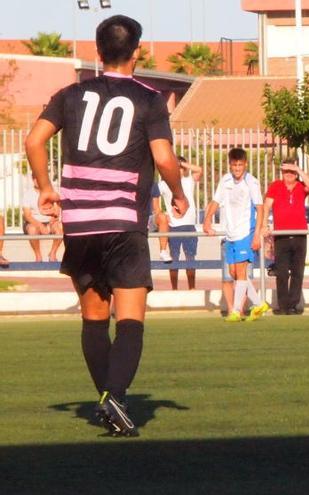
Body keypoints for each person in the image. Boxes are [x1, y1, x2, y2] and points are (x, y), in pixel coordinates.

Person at [24, 15, 188, 437]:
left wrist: (45, 187)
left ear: (97, 53)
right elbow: (165, 158)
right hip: (122, 221)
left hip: (79, 223)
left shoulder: (70, 94)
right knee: (130, 319)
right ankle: (115, 398)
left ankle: (109, 402)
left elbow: (33, 140)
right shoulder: (150, 99)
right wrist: (179, 192)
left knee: (94, 319)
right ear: (138, 52)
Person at [203, 148, 270, 322]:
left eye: (240, 165)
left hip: (245, 233)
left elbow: (260, 208)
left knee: (240, 272)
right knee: (234, 272)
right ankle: (259, 303)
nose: (237, 168)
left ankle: (236, 310)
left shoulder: (252, 183)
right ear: (230, 165)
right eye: (234, 165)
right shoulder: (225, 180)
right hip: (230, 233)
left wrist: (257, 235)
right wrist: (207, 219)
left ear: (245, 164)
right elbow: (215, 201)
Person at [263, 159, 309, 315]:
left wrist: (298, 169)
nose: (289, 175)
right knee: (282, 272)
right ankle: (283, 305)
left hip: (299, 234)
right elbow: (267, 206)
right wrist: (264, 225)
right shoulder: (276, 186)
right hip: (281, 235)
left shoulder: (300, 186)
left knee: (298, 271)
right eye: (286, 172)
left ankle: (293, 304)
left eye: (292, 172)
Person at [158, 156, 201, 290]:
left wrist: (181, 163)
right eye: (175, 168)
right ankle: (174, 289)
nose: (178, 170)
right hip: (173, 227)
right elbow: (153, 196)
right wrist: (160, 212)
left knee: (190, 258)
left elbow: (199, 170)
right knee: (173, 259)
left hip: (189, 226)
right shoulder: (164, 184)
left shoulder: (188, 181)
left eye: (180, 168)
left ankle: (192, 288)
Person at [22, 175, 63, 262]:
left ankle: (52, 253)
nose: (37, 181)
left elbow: (57, 208)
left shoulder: (51, 192)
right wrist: (40, 225)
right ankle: (38, 256)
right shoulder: (28, 195)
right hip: (34, 223)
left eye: (39, 178)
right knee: (32, 230)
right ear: (33, 179)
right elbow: (27, 216)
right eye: (35, 178)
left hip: (49, 222)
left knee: (60, 228)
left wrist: (54, 218)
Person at [151, 182, 171, 262]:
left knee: (163, 217)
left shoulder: (152, 184)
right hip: (134, 217)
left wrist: (164, 219)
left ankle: (163, 251)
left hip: (148, 219)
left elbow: (156, 207)